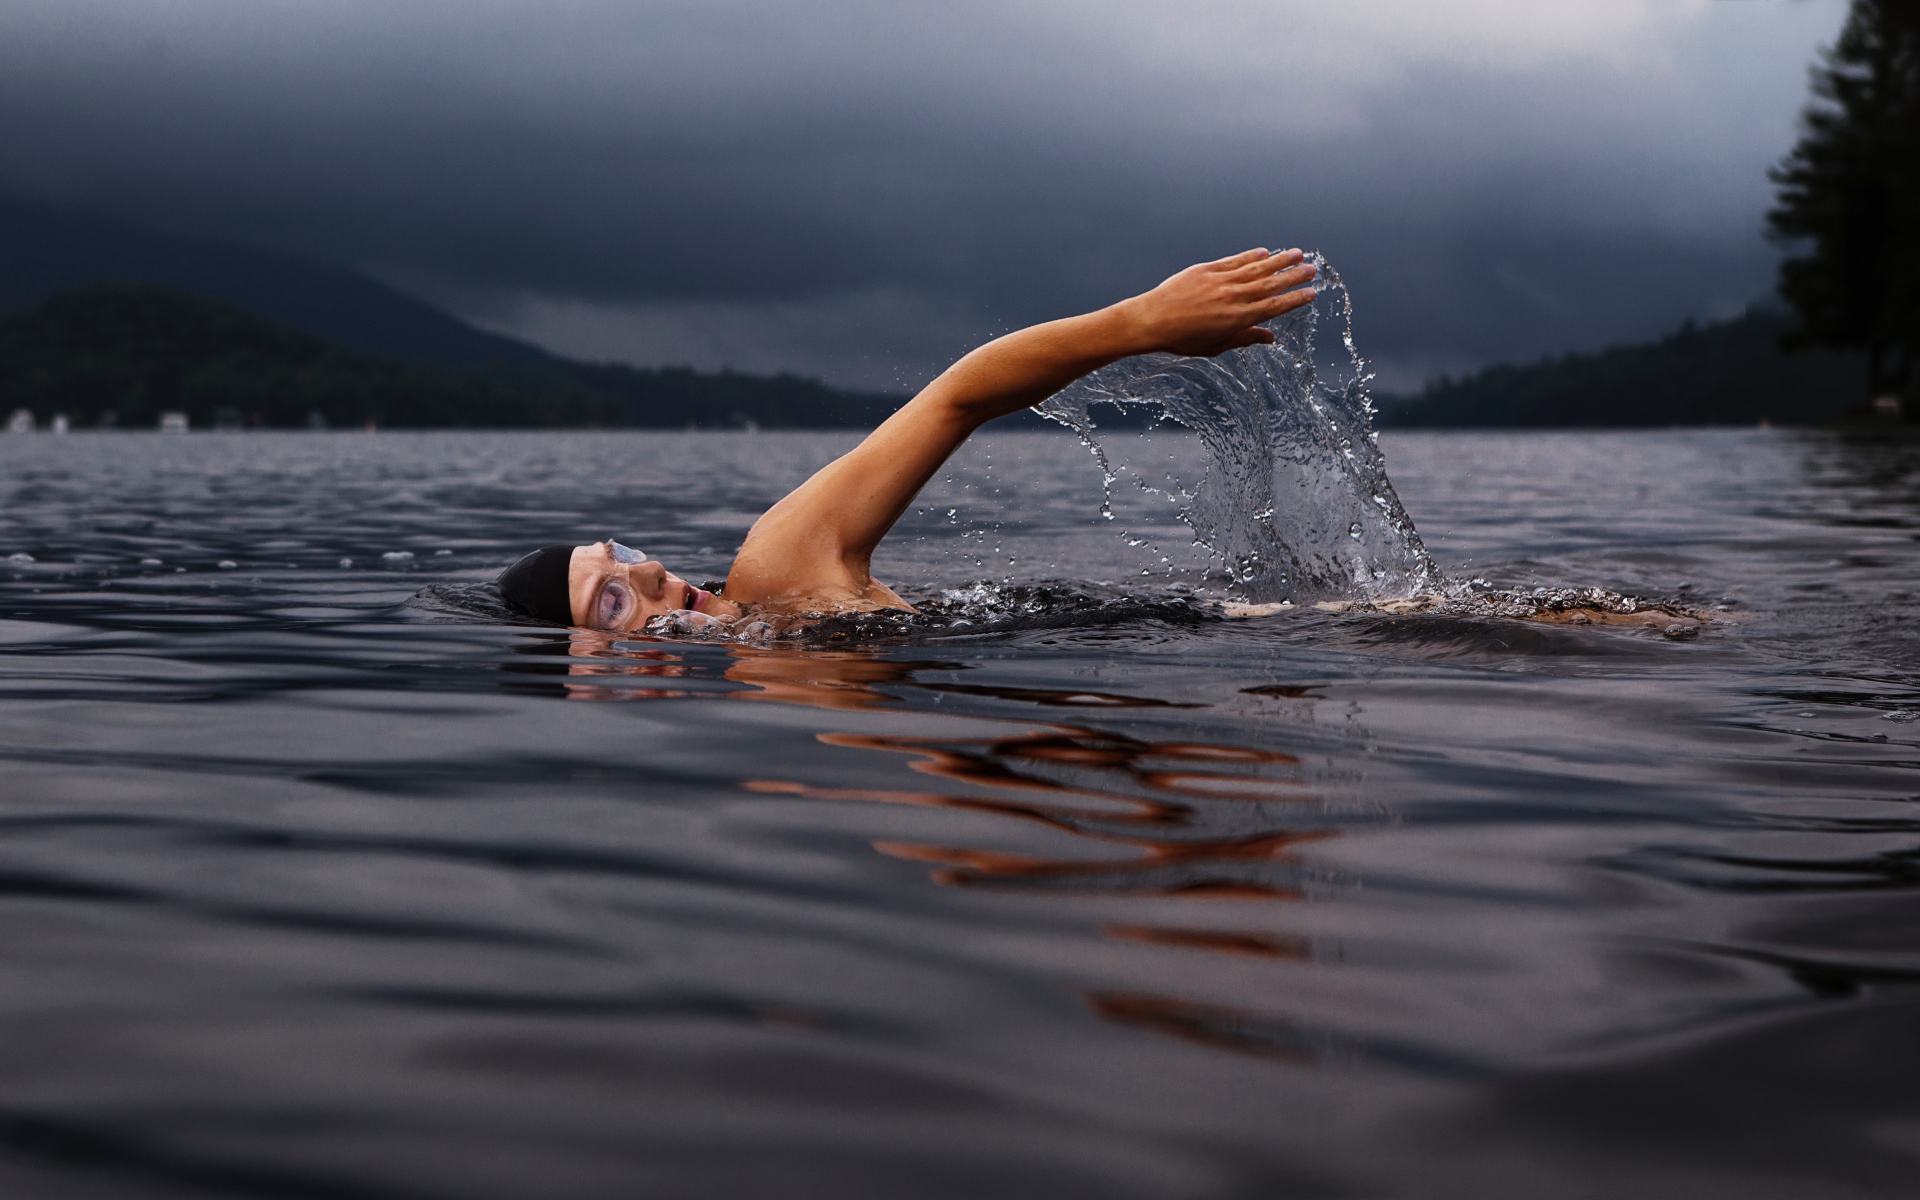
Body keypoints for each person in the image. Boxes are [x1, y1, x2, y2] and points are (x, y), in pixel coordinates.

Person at [498, 247, 1319, 632]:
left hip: (1273, 630)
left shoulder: (778, 570)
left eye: (623, 554)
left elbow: (956, 398)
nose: (648, 570)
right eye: (612, 599)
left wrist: (1140, 324)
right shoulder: (769, 716)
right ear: (589, 675)